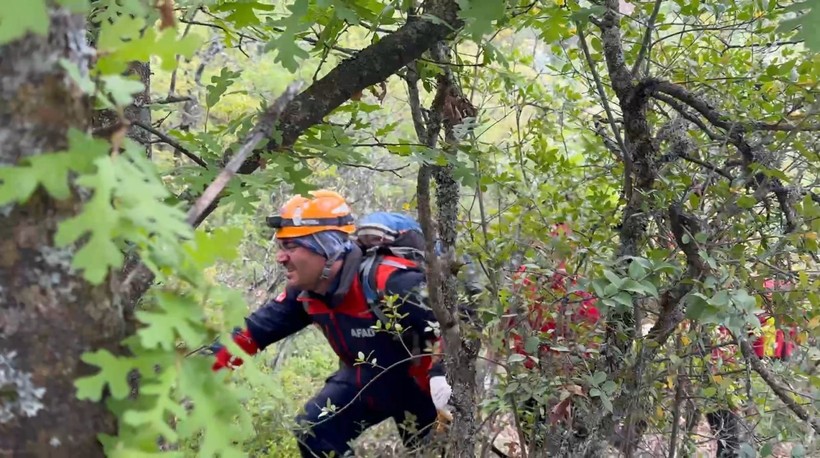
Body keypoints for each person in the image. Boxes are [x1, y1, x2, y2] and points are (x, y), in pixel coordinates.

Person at [210, 190, 452, 457]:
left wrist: (442, 377)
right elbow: (250, 335)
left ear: (326, 248)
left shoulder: (389, 282)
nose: (281, 257)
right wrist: (195, 374)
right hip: (364, 383)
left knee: (433, 453)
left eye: (291, 246)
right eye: (281, 247)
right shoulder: (304, 294)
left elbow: (458, 326)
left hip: (424, 390)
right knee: (314, 433)